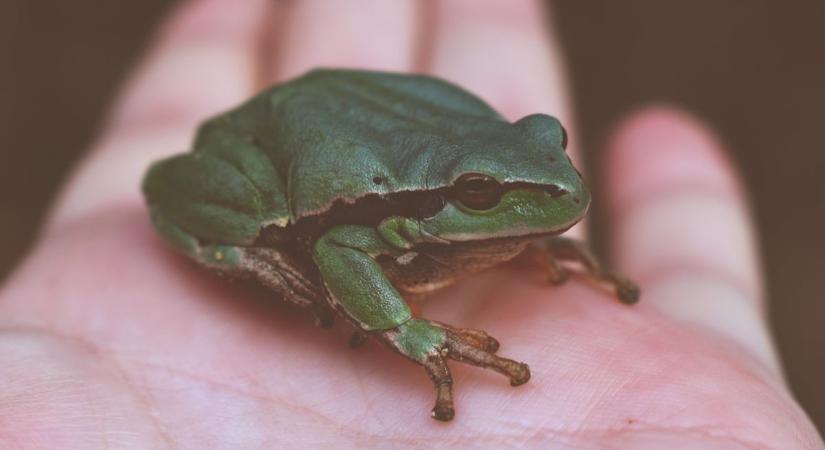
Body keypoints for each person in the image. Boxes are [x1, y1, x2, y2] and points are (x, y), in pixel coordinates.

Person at [0, 0, 821, 448]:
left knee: (502, 186)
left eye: (554, 149)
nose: (565, 185)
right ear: (450, 193)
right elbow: (336, 239)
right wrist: (410, 331)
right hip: (283, 178)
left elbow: (507, 173)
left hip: (378, 152)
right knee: (272, 217)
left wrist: (523, 226)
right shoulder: (386, 216)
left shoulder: (493, 175)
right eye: (480, 193)